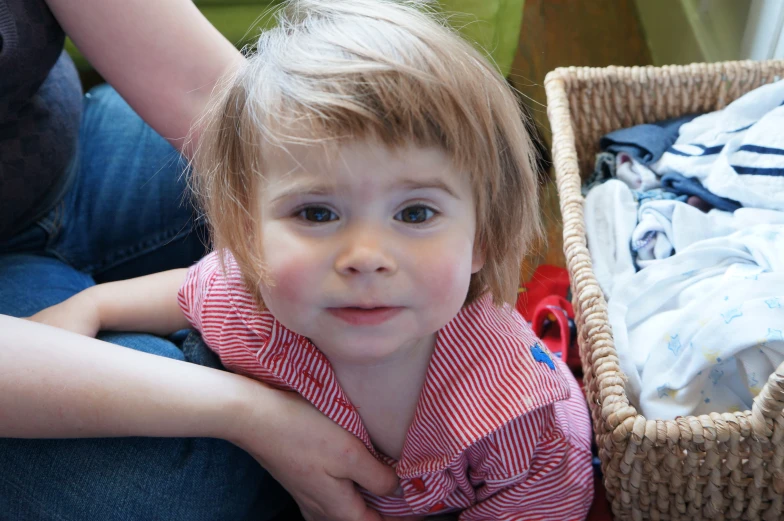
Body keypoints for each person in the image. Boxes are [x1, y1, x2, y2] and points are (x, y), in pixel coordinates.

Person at [28, 1, 595, 519]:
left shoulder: (523, 420)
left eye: (416, 214)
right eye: (318, 214)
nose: (366, 257)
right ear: (248, 234)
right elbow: (194, 290)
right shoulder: (256, 300)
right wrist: (92, 308)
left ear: (482, 240)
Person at [0, 0, 398, 519]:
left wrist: (329, 194)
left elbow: (216, 94)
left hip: (71, 156)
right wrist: (253, 414)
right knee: (180, 478)